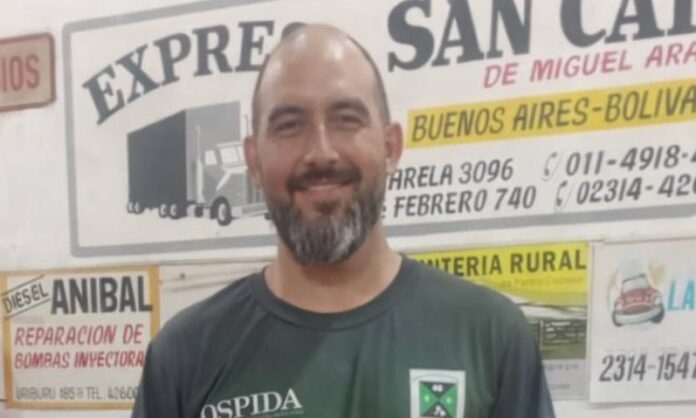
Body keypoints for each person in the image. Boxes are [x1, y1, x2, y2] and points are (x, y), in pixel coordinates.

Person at [131, 24, 555, 418]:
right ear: (254, 161)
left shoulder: (488, 336)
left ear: (390, 147)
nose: (321, 152)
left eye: (346, 120)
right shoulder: (184, 355)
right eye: (289, 125)